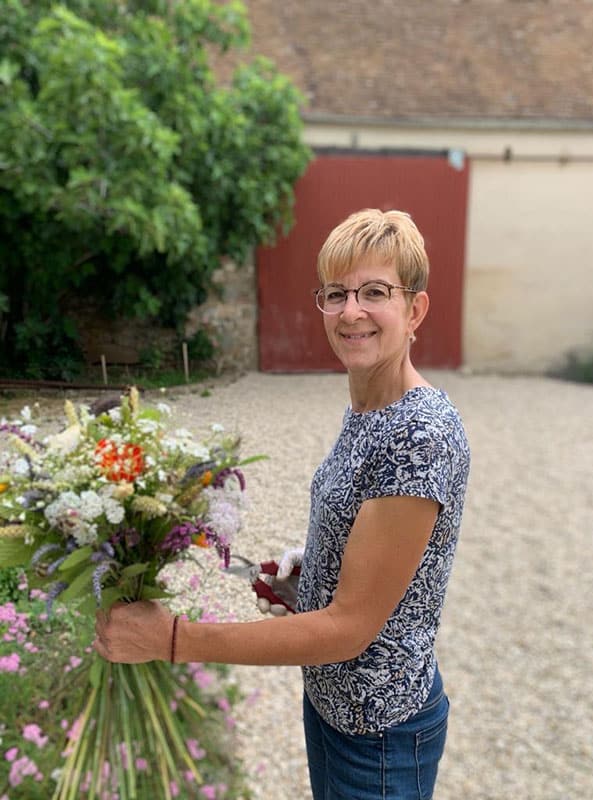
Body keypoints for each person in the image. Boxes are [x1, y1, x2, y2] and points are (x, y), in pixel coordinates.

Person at [94, 208, 470, 800]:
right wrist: (310, 579)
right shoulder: (370, 407)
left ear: (415, 309)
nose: (352, 311)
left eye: (375, 292)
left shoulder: (420, 434)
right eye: (336, 294)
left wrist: (170, 639)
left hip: (379, 734)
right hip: (330, 703)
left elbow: (348, 631)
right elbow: (372, 558)